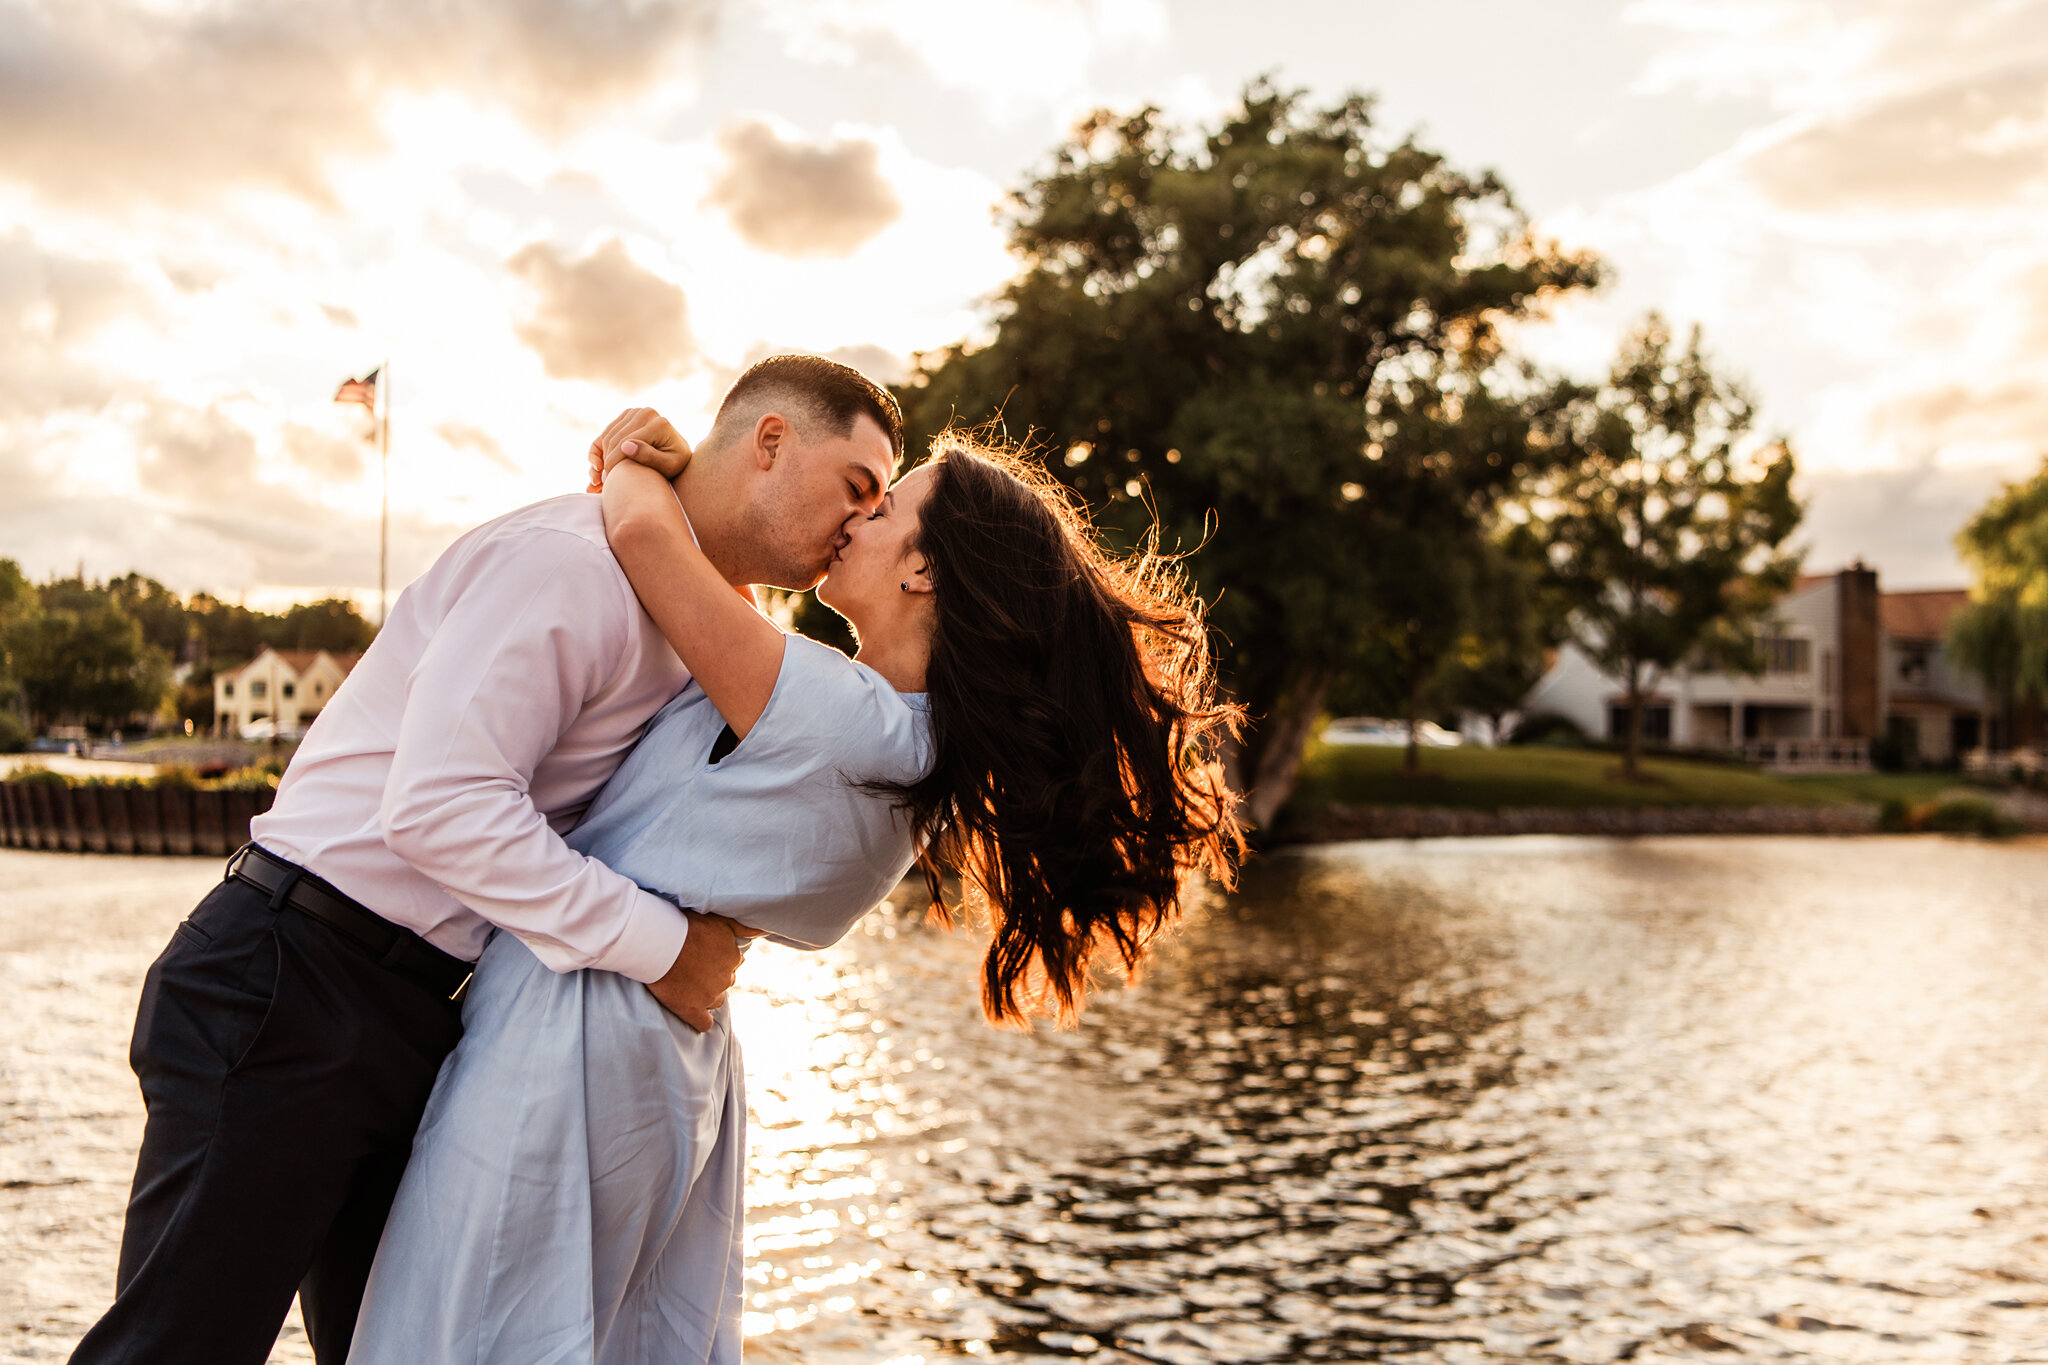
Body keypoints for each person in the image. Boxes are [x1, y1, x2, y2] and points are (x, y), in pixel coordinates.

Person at [344, 408, 1247, 1363]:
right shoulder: (903, 740)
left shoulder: (842, 717)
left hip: (579, 1040)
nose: (855, 519)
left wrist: (639, 458)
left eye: (885, 504)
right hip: (656, 1051)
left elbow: (647, 533)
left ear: (923, 567)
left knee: (471, 1331)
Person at [70, 357, 904, 1365]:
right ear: (768, 442)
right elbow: (440, 806)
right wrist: (664, 947)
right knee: (174, 1352)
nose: (855, 526)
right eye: (853, 489)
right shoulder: (569, 562)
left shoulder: (700, 613)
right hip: (289, 978)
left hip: (422, 1014)